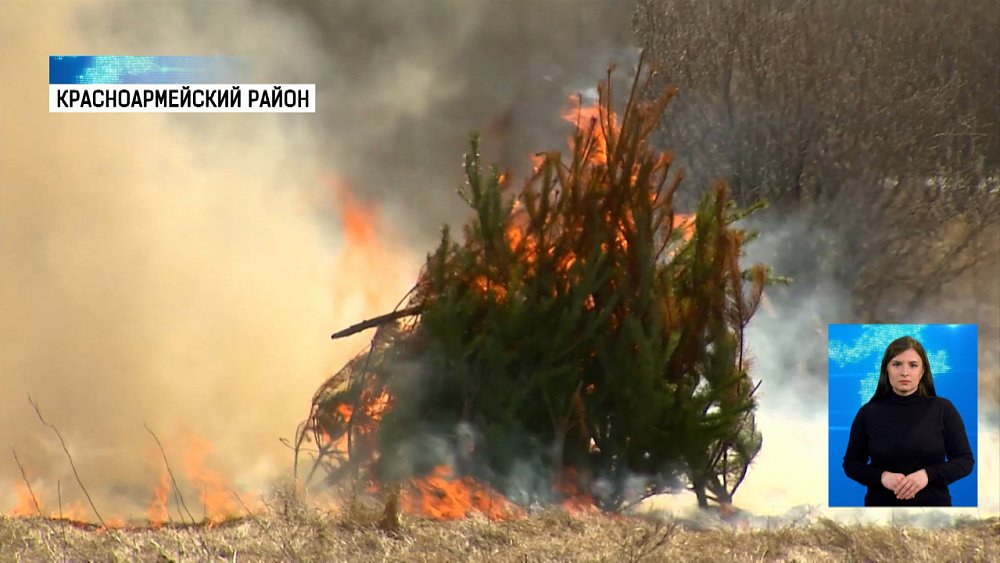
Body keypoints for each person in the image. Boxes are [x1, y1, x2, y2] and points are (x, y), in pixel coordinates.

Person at [842, 335, 974, 506]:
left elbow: (965, 461)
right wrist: (882, 477)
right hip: (880, 512)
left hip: (935, 512)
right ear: (886, 369)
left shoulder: (944, 409)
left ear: (923, 371)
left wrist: (927, 475)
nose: (905, 372)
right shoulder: (867, 413)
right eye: (897, 364)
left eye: (913, 365)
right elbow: (851, 464)